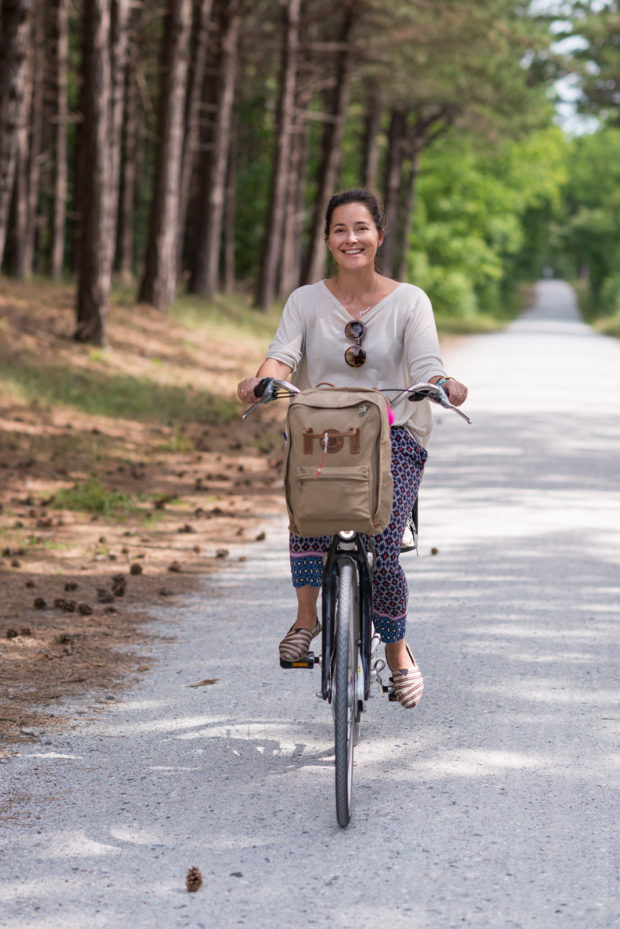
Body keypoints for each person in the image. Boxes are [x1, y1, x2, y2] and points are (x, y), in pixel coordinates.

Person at [237, 188, 468, 708]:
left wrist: (443, 383)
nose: (351, 238)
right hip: (323, 433)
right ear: (326, 240)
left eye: (361, 228)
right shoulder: (305, 300)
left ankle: (397, 652)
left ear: (380, 236)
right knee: (308, 517)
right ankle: (305, 620)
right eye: (339, 229)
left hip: (396, 434)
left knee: (384, 545)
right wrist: (261, 381)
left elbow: (427, 361)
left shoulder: (410, 300)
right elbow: (282, 356)